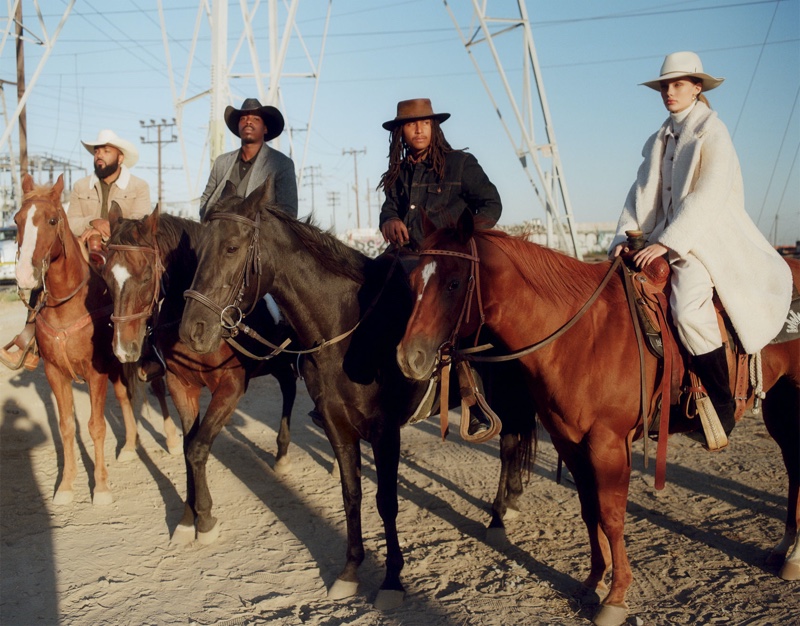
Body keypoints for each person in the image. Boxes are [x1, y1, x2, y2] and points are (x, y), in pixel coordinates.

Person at [609, 51, 792, 444]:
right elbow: (642, 193)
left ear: (696, 88)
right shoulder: (659, 138)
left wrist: (667, 244)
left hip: (707, 237)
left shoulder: (713, 131)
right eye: (664, 85)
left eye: (677, 84)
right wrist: (626, 234)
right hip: (665, 235)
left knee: (689, 306)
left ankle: (722, 403)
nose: (669, 92)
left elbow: (707, 196)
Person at [378, 98, 503, 437]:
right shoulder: (398, 173)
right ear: (400, 132)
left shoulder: (460, 164)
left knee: (454, 309)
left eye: (425, 122)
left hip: (450, 260)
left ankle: (472, 396)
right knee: (366, 288)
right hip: (407, 256)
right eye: (411, 123)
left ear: (434, 127)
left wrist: (461, 239)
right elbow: (389, 209)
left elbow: (491, 203)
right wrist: (389, 222)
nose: (419, 128)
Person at [0, 130, 152, 372]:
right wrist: (92, 223)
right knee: (50, 274)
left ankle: (152, 350)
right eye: (97, 151)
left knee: (149, 282)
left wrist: (108, 228)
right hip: (85, 246)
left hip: (122, 249)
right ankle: (30, 340)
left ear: (120, 158)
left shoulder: (138, 187)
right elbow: (70, 220)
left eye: (105, 150)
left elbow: (141, 222)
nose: (99, 155)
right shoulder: (82, 186)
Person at [199, 98, 297, 220]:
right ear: (238, 126)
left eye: (255, 119)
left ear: (265, 129)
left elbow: (288, 214)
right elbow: (206, 200)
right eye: (243, 119)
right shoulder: (221, 163)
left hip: (260, 237)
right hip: (219, 234)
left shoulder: (281, 164)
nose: (248, 122)